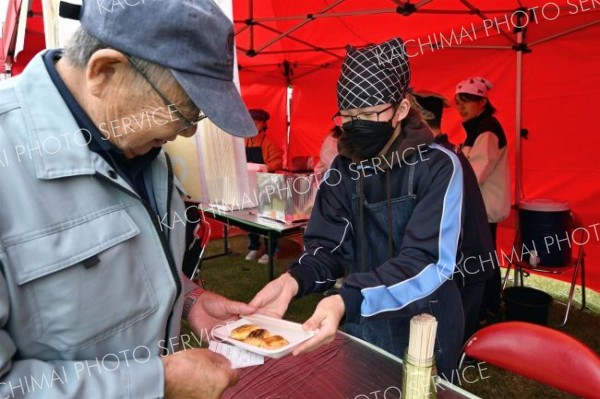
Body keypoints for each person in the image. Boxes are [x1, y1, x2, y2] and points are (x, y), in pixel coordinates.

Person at [0, 1, 258, 398]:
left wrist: (188, 300)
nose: (187, 133)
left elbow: (124, 262)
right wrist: (158, 383)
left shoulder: (144, 150)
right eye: (182, 111)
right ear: (105, 71)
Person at [251, 37, 465, 377]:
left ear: (402, 110)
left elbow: (428, 262)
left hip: (425, 322)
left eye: (367, 114)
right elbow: (328, 246)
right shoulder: (343, 169)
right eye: (348, 116)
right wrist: (295, 279)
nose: (356, 124)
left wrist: (348, 299)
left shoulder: (438, 166)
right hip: (362, 319)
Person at [410, 90, 495, 343]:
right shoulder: (442, 153)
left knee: (448, 345)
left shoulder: (438, 159)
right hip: (466, 262)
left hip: (465, 267)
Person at [455, 77, 510, 322]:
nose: (461, 107)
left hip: (484, 207)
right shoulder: (477, 128)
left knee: (483, 257)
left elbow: (476, 171)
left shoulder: (486, 129)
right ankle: (489, 305)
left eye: (467, 101)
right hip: (481, 206)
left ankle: (488, 307)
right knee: (485, 256)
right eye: (459, 101)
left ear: (482, 102)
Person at [244, 108, 284, 264]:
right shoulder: (245, 141)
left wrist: (263, 167)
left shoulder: (269, 143)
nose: (253, 125)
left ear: (263, 124)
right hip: (251, 183)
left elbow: (278, 162)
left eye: (257, 122)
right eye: (251, 122)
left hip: (269, 184)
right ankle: (254, 247)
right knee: (250, 218)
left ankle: (271, 251)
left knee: (270, 220)